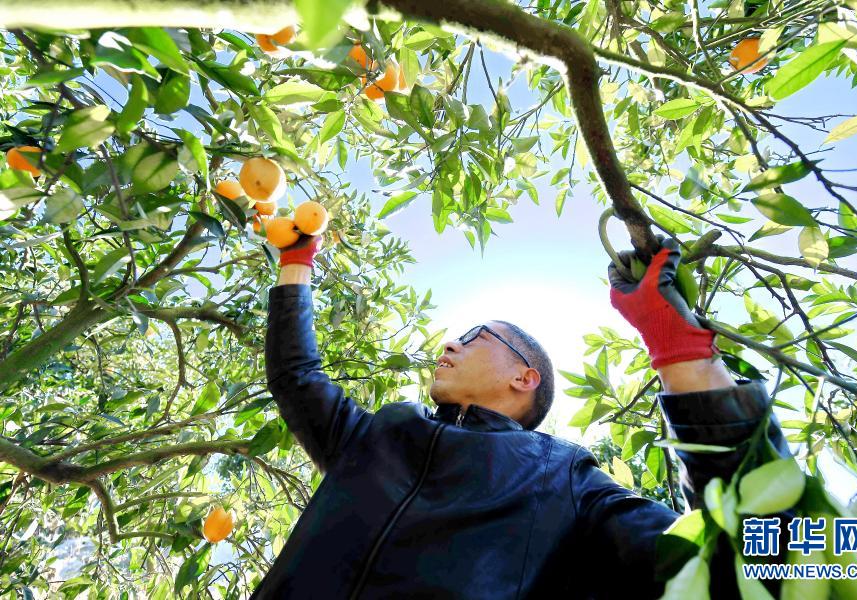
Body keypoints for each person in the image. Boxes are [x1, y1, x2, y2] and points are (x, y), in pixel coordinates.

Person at [248, 233, 791, 599]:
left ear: (524, 377)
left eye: (473, 336)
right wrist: (296, 262)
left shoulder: (563, 479)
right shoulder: (381, 434)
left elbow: (746, 558)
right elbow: (298, 377)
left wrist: (679, 349)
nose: (449, 345)